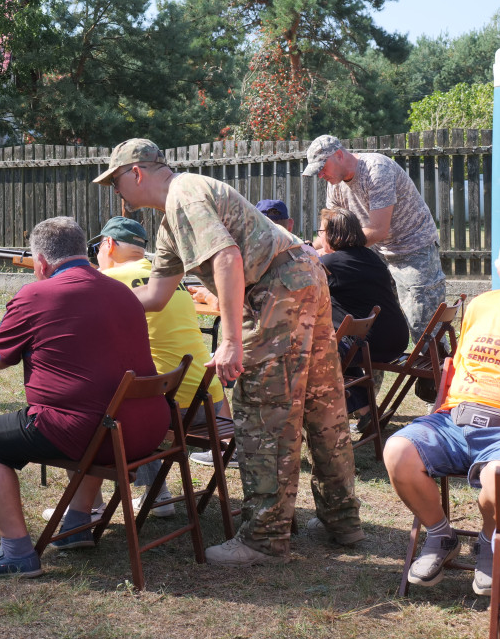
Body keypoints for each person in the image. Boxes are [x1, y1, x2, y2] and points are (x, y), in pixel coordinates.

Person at [93, 138, 362, 567]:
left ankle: (264, 539)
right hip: (304, 275)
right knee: (321, 403)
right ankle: (342, 520)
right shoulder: (171, 222)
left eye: (116, 182)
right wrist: (101, 298)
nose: (116, 192)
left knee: (265, 412)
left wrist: (232, 340)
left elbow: (228, 258)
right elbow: (158, 294)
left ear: (137, 173)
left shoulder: (183, 195)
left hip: (277, 287)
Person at [0, 216, 167, 578]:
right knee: (95, 412)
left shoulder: (35, 293)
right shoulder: (125, 293)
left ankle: (17, 553)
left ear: (40, 263)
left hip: (94, 432)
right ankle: (76, 524)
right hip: (145, 430)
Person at [383, 227, 500, 595]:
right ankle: (441, 535)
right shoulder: (481, 305)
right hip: (454, 417)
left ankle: (491, 541)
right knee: (397, 451)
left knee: (498, 479)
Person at [88, 215, 228, 516]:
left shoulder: (109, 282)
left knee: (103, 405)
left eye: (98, 247)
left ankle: (88, 507)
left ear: (108, 244)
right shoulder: (165, 278)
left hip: (170, 407)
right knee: (143, 387)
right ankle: (157, 494)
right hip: (209, 401)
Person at [303, 135, 446, 344]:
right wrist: (307, 249)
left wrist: (331, 250)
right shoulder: (335, 184)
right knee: (373, 322)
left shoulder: (376, 169)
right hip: (378, 256)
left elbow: (378, 230)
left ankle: (439, 374)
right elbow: (330, 231)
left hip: (414, 251)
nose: (321, 175)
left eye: (322, 167)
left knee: (424, 330)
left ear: (339, 155)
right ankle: (371, 376)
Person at [315, 207, 409, 369]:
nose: (319, 236)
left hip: (366, 345)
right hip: (396, 340)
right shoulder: (372, 257)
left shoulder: (331, 264)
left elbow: (305, 295)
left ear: (332, 234)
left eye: (321, 231)